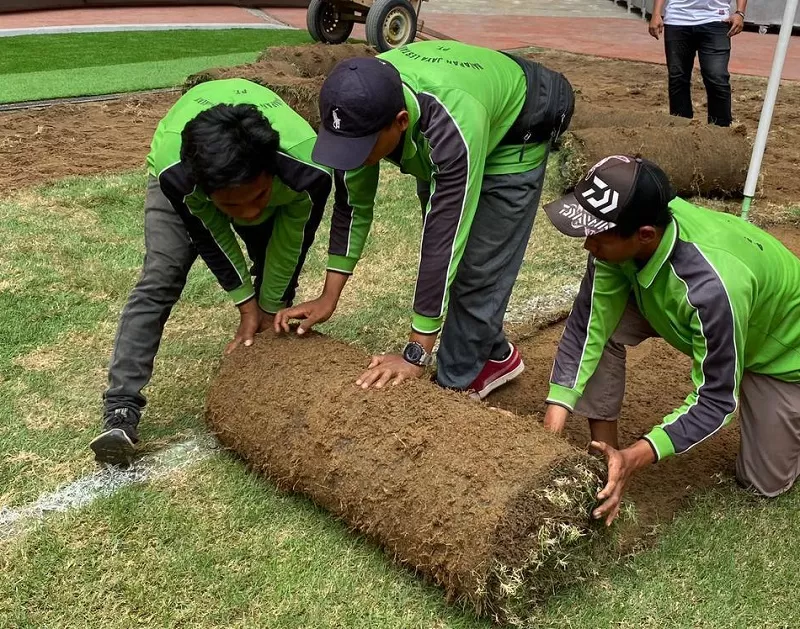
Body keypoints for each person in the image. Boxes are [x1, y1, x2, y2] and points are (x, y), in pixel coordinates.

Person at [274, 40, 574, 399]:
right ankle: (493, 352)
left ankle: (456, 384)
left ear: (400, 123)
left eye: (363, 147)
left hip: (521, 121)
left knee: (478, 266)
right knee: (454, 253)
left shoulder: (450, 125)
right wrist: (328, 296)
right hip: (465, 108)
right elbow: (352, 205)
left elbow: (444, 238)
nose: (353, 156)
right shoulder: (361, 99)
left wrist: (416, 353)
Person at [540, 154, 800, 525]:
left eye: (598, 236)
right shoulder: (632, 216)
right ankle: (604, 456)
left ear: (645, 234)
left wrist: (637, 456)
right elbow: (587, 329)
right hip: (689, 306)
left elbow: (715, 400)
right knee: (607, 326)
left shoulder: (714, 287)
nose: (588, 245)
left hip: (782, 352)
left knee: (764, 482)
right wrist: (550, 432)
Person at [90, 78, 333, 465]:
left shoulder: (308, 171)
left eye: (257, 198)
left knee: (274, 284)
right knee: (161, 276)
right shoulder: (180, 176)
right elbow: (210, 236)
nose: (250, 214)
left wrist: (268, 306)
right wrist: (244, 303)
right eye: (234, 206)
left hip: (276, 185)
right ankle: (121, 407)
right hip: (179, 175)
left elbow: (292, 243)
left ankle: (271, 369)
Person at [649, 0, 747, 126]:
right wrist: (656, 13)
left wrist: (740, 13)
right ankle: (681, 128)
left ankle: (720, 132)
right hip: (677, 19)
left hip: (716, 19)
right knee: (678, 77)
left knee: (717, 77)